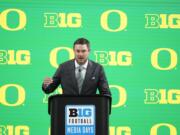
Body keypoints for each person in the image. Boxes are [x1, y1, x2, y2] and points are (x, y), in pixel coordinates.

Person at [42, 38, 111, 97]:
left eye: (83, 51)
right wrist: (46, 85)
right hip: (67, 108)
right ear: (74, 51)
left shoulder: (98, 69)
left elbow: (105, 93)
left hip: (89, 109)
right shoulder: (63, 67)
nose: (80, 54)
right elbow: (49, 89)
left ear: (89, 51)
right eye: (77, 51)